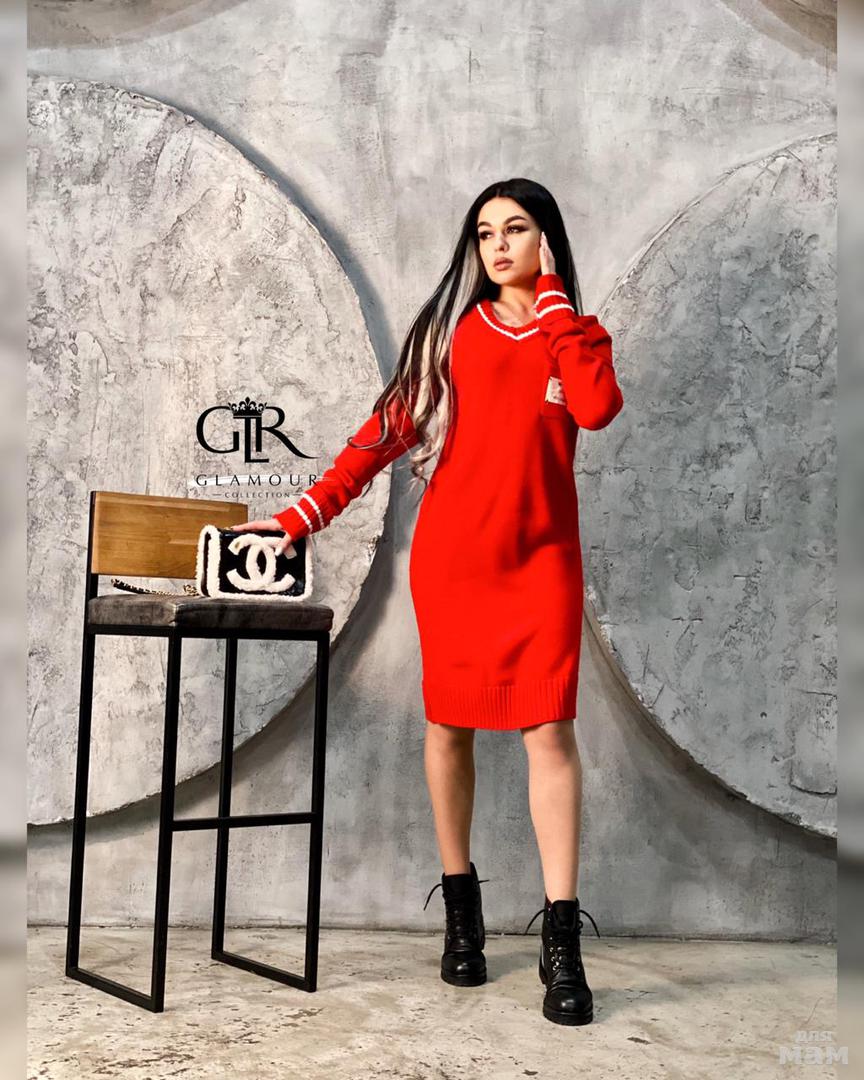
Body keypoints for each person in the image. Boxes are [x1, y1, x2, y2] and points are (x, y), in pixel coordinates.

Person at [230, 177, 623, 1026]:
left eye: (516, 230)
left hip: (544, 565)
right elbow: (381, 435)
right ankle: (461, 912)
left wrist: (555, 305)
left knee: (550, 732)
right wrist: (302, 516)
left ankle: (562, 943)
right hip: (456, 566)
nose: (499, 246)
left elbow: (595, 408)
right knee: (449, 727)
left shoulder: (576, 336)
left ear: (546, 241)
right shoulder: (452, 338)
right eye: (485, 233)